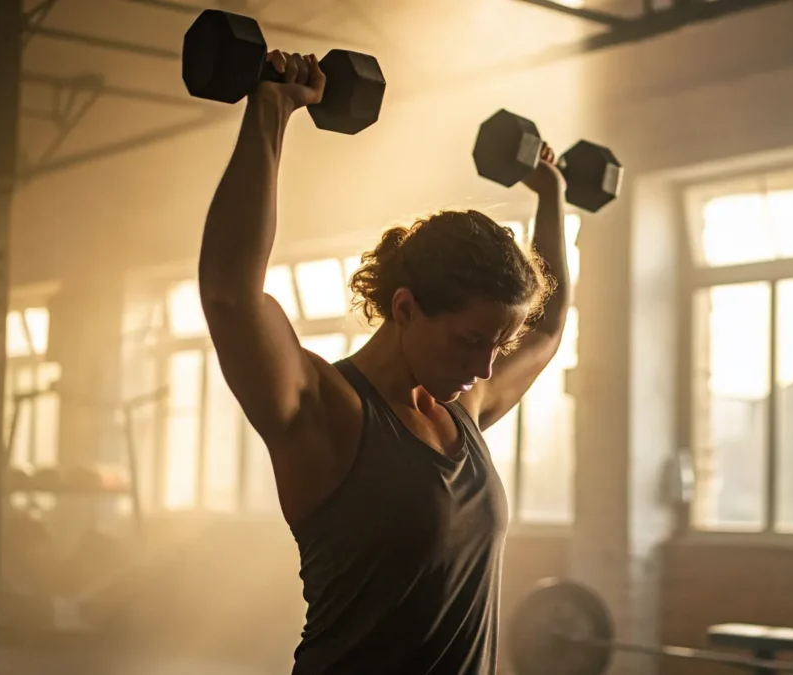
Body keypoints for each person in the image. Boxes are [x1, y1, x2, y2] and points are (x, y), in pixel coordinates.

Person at [197, 50, 571, 675]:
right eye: (469, 340)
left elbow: (551, 326)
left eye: (497, 347)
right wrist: (271, 108)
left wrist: (552, 196)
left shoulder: (465, 410)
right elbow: (231, 294)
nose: (485, 368)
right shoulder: (325, 412)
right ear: (405, 307)